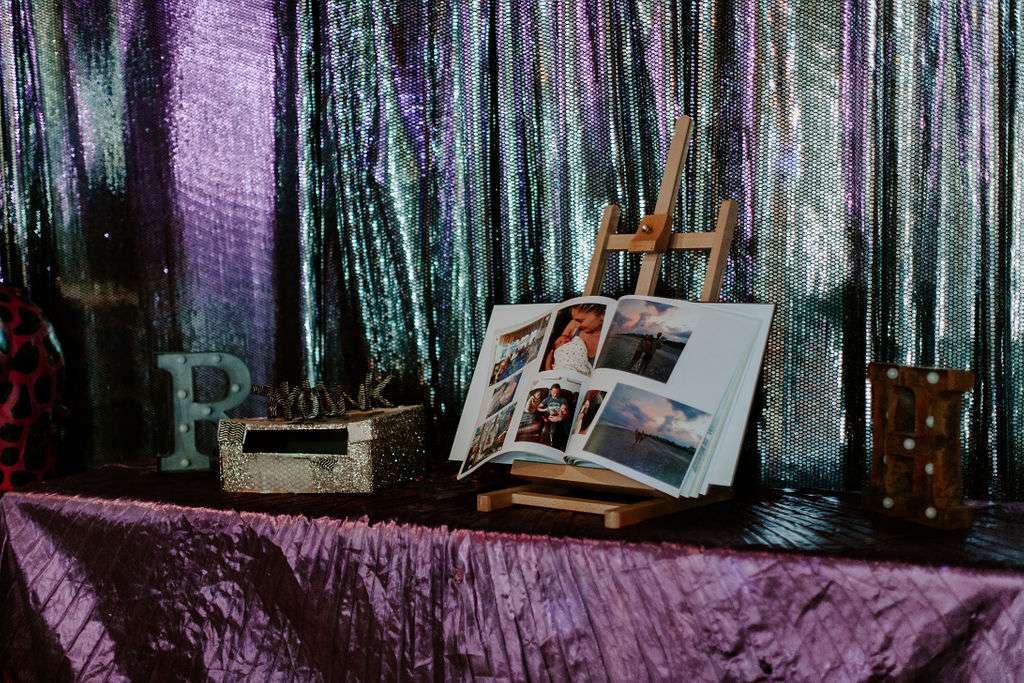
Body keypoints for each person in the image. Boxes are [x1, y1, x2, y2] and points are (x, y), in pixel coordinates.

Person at [543, 304, 605, 371]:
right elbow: (557, 349)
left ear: (602, 315)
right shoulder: (573, 325)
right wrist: (549, 369)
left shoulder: (609, 340)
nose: (577, 325)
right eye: (575, 320)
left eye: (581, 321)